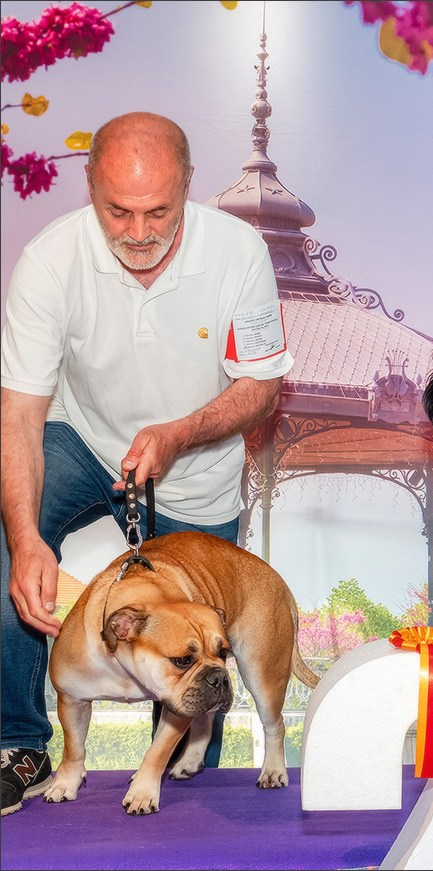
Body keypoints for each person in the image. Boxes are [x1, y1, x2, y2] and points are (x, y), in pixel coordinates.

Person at [1, 111, 293, 815]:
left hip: (195, 465)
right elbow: (18, 415)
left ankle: (197, 788)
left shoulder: (240, 252)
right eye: (117, 211)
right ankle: (20, 742)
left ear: (189, 186)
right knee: (9, 545)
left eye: (158, 211)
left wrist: (180, 433)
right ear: (89, 186)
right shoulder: (48, 260)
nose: (137, 232)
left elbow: (262, 387)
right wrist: (24, 540)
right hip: (81, 438)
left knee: (199, 649)